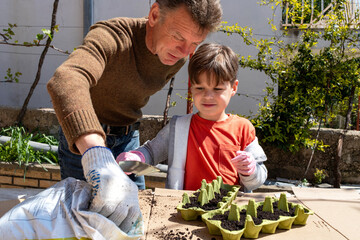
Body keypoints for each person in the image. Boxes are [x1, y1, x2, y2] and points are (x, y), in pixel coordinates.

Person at [47, 0, 223, 234]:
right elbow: (66, 79)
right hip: (84, 143)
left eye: (195, 43)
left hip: (129, 140)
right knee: (83, 224)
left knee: (136, 217)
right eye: (178, 36)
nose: (185, 52)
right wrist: (96, 153)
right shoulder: (112, 37)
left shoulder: (178, 57)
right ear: (154, 14)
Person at [117, 43, 268, 192]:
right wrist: (136, 157)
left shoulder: (243, 128)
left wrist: (251, 170)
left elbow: (258, 179)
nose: (208, 96)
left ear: (233, 88)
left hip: (228, 212)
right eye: (200, 88)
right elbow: (151, 152)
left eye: (217, 89)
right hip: (183, 210)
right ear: (191, 88)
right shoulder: (178, 126)